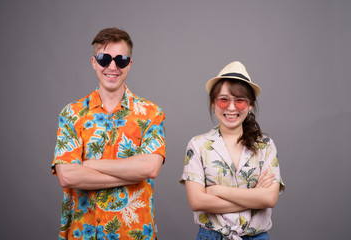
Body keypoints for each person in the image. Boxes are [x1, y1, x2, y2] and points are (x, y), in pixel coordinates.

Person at [52, 27, 165, 240]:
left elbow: (150, 167)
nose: (112, 66)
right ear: (94, 62)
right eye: (104, 58)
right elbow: (67, 175)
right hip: (83, 234)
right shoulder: (72, 114)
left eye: (121, 60)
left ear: (130, 64)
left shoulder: (151, 113)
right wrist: (133, 175)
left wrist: (89, 165)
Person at [180, 61, 285, 240]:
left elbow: (269, 199)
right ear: (214, 103)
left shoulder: (265, 146)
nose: (231, 107)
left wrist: (217, 191)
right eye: (223, 100)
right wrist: (254, 197)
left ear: (250, 105)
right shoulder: (197, 145)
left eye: (240, 101)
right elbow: (197, 201)